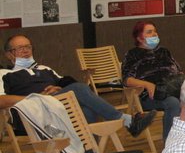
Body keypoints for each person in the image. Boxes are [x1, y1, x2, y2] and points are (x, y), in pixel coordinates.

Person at [0, 35, 156, 137]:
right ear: (8, 54)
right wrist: (36, 98)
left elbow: (67, 83)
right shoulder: (4, 74)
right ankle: (127, 121)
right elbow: (2, 100)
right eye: (20, 48)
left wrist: (59, 89)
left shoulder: (44, 69)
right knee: (80, 88)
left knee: (87, 110)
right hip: (32, 113)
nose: (26, 51)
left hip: (58, 107)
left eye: (28, 47)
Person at [122, 21, 182, 140]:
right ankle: (170, 143)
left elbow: (178, 72)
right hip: (149, 95)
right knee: (173, 103)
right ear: (139, 38)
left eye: (155, 31)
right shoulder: (132, 54)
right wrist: (146, 84)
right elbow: (126, 80)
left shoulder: (164, 51)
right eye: (149, 32)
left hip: (171, 89)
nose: (154, 34)